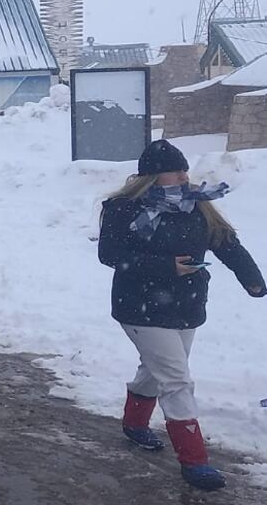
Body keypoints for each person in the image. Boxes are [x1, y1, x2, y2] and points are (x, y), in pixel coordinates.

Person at [98, 139, 264, 491]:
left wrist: (253, 281)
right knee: (176, 378)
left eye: (185, 169)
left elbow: (228, 244)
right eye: (178, 171)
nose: (185, 176)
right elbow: (111, 254)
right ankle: (195, 461)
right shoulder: (123, 208)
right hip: (139, 307)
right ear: (156, 177)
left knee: (160, 369)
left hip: (186, 305)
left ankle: (134, 423)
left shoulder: (197, 206)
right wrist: (165, 267)